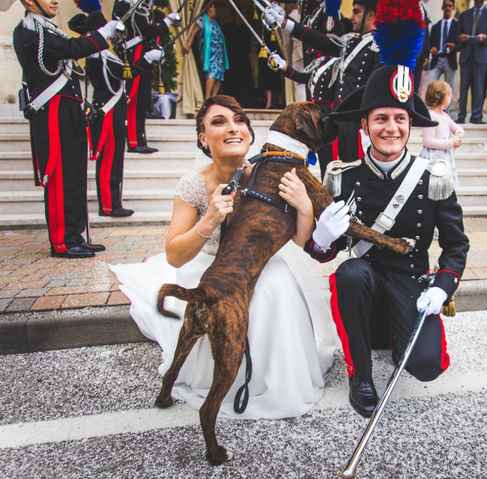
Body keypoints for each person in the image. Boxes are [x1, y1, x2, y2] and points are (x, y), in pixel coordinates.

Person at [110, 95, 337, 417]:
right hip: (209, 265)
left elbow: (301, 241)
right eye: (219, 122)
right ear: (202, 137)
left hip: (258, 262)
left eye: (239, 120)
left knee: (276, 285)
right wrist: (210, 219)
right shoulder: (193, 184)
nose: (233, 128)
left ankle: (274, 379)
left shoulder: (266, 170)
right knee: (221, 294)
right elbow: (174, 256)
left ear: (249, 132)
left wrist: (304, 206)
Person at [305, 65, 469, 418]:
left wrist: (442, 289)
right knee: (349, 272)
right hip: (363, 281)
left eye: (399, 118)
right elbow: (325, 252)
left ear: (410, 125)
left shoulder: (433, 178)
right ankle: (360, 376)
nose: (391, 128)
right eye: (381, 118)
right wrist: (320, 239)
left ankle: (395, 332)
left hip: (411, 282)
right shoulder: (342, 177)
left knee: (425, 366)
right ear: (364, 125)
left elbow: (456, 246)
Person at [14, 0, 123, 258]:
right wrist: (102, 34)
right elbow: (69, 49)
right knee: (60, 175)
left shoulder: (46, 28)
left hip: (67, 110)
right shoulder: (28, 30)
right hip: (52, 112)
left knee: (75, 175)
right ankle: (62, 241)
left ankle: (76, 235)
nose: (55, 1)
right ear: (30, 1)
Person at [263, 0, 380, 163]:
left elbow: (376, 92)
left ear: (371, 15)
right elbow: (320, 40)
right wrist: (285, 23)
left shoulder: (378, 46)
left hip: (358, 124)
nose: (352, 17)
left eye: (356, 12)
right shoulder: (353, 42)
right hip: (340, 121)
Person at [71, 12, 162, 218]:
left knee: (115, 159)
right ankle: (109, 205)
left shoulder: (106, 54)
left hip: (115, 111)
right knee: (109, 160)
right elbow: (125, 74)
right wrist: (147, 60)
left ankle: (114, 201)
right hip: (108, 112)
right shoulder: (99, 56)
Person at [112, 0, 180, 154]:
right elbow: (147, 31)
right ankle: (134, 141)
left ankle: (140, 139)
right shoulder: (128, 6)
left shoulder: (141, 7)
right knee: (134, 100)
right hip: (135, 57)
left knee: (142, 101)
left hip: (142, 55)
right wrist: (167, 21)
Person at [456, 0, 487, 124]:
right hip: (466, 56)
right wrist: (460, 38)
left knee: (479, 87)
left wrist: (485, 38)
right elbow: (457, 35)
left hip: (482, 56)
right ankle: (461, 116)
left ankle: (476, 117)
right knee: (464, 88)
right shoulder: (464, 14)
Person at [421, 80, 464, 188]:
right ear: (440, 97)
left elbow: (457, 127)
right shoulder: (430, 116)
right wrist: (450, 142)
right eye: (448, 95)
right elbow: (428, 141)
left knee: (445, 186)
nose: (450, 98)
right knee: (434, 185)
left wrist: (458, 134)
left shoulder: (445, 116)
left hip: (445, 156)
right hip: (433, 157)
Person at [181, 1, 228, 99]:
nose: (215, 10)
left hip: (218, 54)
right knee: (212, 73)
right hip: (209, 53)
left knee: (219, 75)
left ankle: (213, 98)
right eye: (213, 8)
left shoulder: (215, 22)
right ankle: (207, 97)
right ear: (208, 9)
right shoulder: (202, 20)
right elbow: (193, 32)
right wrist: (188, 43)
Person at [428, 0, 460, 102]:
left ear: (453, 8)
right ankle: (431, 111)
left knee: (450, 89)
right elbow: (430, 42)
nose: (448, 8)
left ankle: (447, 113)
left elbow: (461, 45)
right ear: (442, 8)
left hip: (450, 60)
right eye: (445, 6)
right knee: (431, 86)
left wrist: (454, 47)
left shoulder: (458, 26)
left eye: (450, 6)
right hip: (436, 59)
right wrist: (431, 48)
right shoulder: (435, 26)